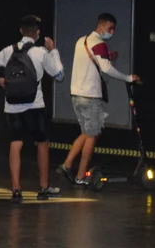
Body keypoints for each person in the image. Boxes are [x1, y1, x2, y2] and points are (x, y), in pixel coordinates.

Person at [0, 15, 64, 202]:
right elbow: (59, 75)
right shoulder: (42, 52)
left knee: (15, 144)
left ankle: (16, 190)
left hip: (12, 106)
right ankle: (43, 188)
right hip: (35, 105)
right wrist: (54, 51)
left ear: (20, 31)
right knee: (42, 144)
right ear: (38, 32)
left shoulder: (8, 51)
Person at [58, 13, 140, 187]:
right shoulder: (100, 43)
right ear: (101, 26)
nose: (112, 32)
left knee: (86, 133)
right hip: (91, 97)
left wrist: (109, 55)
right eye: (111, 28)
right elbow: (106, 68)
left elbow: (95, 59)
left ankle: (66, 166)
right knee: (92, 136)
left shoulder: (81, 41)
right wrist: (128, 78)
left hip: (76, 95)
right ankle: (80, 177)